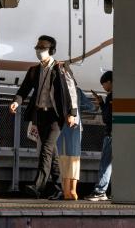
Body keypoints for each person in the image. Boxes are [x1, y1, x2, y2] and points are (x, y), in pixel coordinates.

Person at [9, 35, 77, 199]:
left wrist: (72, 114)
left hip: (56, 116)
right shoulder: (33, 71)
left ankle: (37, 186)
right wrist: (16, 102)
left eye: (43, 48)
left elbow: (72, 90)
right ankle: (58, 187)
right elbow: (23, 90)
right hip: (40, 115)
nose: (39, 51)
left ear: (51, 50)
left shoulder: (61, 68)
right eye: (37, 48)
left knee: (45, 150)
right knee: (51, 152)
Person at [57, 85, 94, 200]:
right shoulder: (77, 90)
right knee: (75, 159)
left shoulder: (58, 88)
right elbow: (91, 107)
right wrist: (78, 108)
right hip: (77, 128)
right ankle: (73, 191)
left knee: (63, 159)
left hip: (61, 126)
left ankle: (66, 191)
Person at [85, 70, 113, 201]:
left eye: (103, 84)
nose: (103, 87)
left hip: (111, 134)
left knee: (105, 163)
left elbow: (107, 118)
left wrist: (102, 104)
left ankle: (100, 191)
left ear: (109, 82)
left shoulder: (111, 97)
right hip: (117, 133)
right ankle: (104, 190)